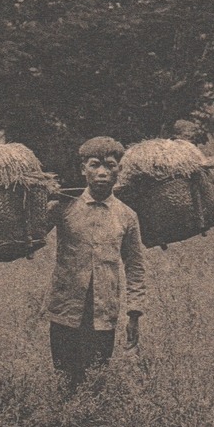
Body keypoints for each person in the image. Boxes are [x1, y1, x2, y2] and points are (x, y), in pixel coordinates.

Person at [41, 137, 147, 393]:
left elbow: (135, 265)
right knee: (64, 379)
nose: (102, 172)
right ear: (83, 169)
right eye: (94, 165)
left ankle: (91, 425)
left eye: (110, 166)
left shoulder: (127, 216)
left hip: (103, 312)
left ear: (119, 170)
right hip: (65, 308)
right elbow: (31, 236)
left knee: (95, 381)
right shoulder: (64, 208)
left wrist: (134, 313)